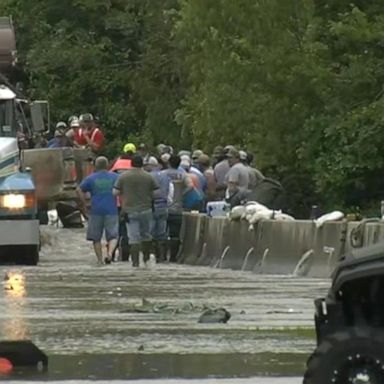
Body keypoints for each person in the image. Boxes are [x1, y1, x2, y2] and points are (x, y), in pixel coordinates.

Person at [113, 155, 159, 267]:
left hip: (130, 211)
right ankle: (146, 259)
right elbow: (157, 193)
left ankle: (135, 263)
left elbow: (115, 192)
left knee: (133, 237)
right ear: (142, 164)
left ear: (131, 164)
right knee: (146, 235)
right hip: (146, 210)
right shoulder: (149, 176)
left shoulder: (123, 176)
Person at [77, 156, 119, 264]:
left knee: (96, 237)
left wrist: (85, 203)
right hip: (112, 209)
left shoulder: (91, 178)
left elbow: (79, 189)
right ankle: (110, 254)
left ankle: (100, 260)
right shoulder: (115, 177)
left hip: (95, 210)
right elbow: (121, 190)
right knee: (113, 235)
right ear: (107, 165)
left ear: (96, 166)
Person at [162, 155, 193, 262]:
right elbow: (191, 186)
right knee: (175, 234)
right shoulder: (182, 175)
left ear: (168, 163)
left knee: (162, 233)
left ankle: (162, 256)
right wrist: (182, 194)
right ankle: (173, 257)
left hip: (163, 208)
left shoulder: (162, 174)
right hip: (177, 209)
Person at [144, 156, 173, 263]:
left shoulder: (148, 176)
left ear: (151, 165)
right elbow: (171, 192)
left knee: (149, 233)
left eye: (146, 165)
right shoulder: (166, 176)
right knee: (162, 233)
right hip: (163, 206)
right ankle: (162, 257)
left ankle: (149, 257)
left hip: (151, 207)